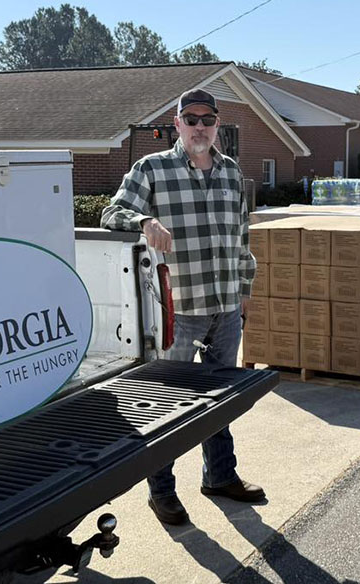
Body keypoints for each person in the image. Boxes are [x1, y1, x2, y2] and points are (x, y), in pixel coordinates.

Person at [101, 89, 265, 526]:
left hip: (225, 307)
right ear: (177, 124)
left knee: (219, 401)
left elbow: (242, 238)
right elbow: (111, 213)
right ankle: (162, 492)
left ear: (216, 125)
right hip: (177, 312)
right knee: (167, 408)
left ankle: (220, 477)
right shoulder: (152, 169)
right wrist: (144, 222)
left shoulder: (231, 173)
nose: (199, 126)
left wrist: (244, 288)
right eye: (190, 119)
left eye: (207, 119)